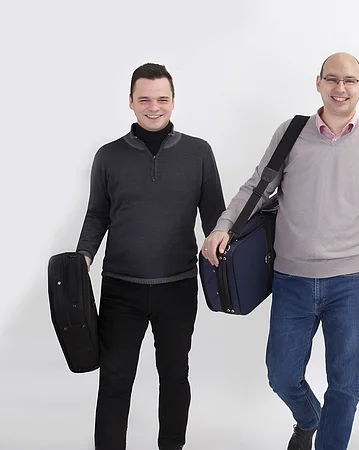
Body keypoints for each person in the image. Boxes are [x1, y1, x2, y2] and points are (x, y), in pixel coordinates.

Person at [201, 52, 359, 450]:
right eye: (332, 79)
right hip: (291, 280)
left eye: (349, 81)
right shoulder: (291, 133)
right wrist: (223, 226)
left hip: (349, 283)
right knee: (281, 374)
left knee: (345, 385)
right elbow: (257, 187)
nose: (340, 88)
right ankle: (309, 417)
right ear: (318, 83)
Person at [76, 62, 226, 450]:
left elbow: (216, 217)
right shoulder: (108, 156)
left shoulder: (199, 152)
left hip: (178, 287)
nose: (153, 107)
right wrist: (84, 255)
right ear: (130, 101)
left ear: (173, 101)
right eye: (144, 99)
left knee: (174, 376)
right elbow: (97, 215)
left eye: (161, 99)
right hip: (120, 289)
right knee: (114, 380)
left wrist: (227, 254)